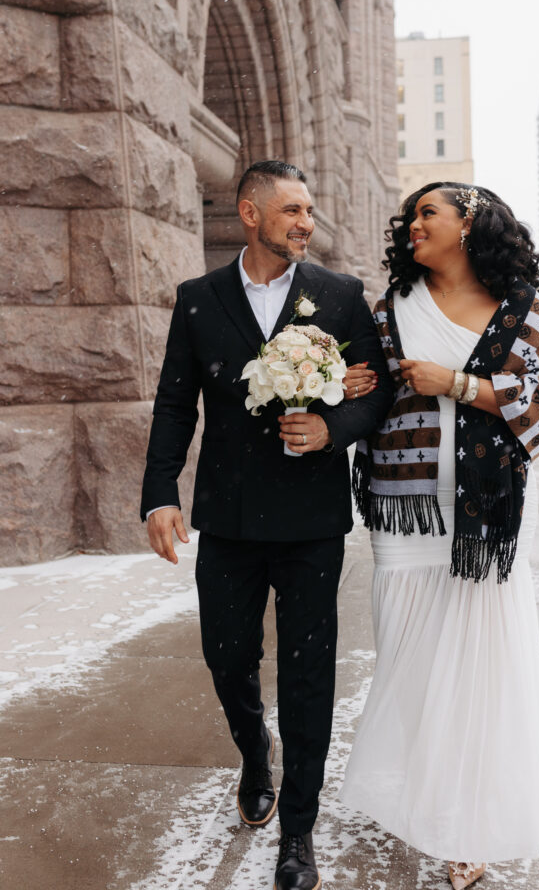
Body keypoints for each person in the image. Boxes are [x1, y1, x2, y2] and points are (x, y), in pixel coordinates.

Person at [141, 160, 392, 890]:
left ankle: (298, 833)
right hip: (228, 517)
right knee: (227, 658)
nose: (305, 222)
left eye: (308, 210)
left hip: (311, 520)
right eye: (290, 210)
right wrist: (160, 493)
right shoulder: (198, 300)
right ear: (249, 214)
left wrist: (331, 427)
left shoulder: (341, 298)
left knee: (308, 675)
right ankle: (255, 753)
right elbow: (172, 405)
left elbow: (375, 397)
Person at [339, 181, 539, 889]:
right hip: (404, 512)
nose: (412, 225)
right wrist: (345, 385)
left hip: (487, 518)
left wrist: (457, 384)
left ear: (469, 224)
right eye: (408, 217)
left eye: (426, 213)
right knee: (410, 661)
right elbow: (375, 392)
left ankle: (469, 827)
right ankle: (419, 794)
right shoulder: (389, 308)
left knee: (479, 670)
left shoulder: (521, 310)